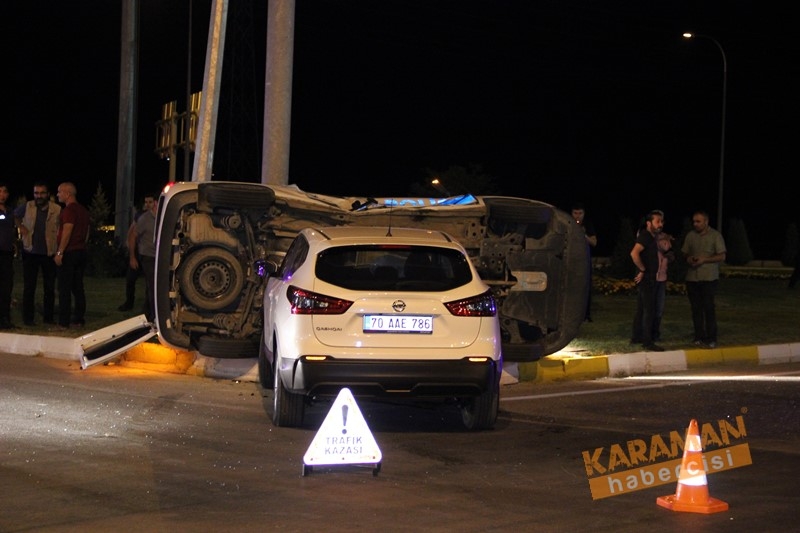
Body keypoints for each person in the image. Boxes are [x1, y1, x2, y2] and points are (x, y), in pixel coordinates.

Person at [14, 181, 61, 326]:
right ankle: (28, 319)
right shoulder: (28, 206)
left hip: (49, 253)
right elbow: (15, 216)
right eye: (36, 193)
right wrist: (20, 226)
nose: (38, 196)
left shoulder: (57, 209)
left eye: (41, 193)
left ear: (47, 194)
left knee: (49, 287)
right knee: (29, 287)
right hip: (30, 252)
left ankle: (48, 318)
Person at [682, 210, 726, 348]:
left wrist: (704, 260)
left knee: (708, 308)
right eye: (694, 221)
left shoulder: (715, 236)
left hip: (709, 278)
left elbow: (722, 256)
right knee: (696, 309)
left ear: (706, 222)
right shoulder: (691, 236)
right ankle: (698, 336)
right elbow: (684, 253)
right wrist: (689, 258)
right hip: (692, 278)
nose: (695, 224)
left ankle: (711, 338)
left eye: (698, 221)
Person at [54, 182, 90, 330]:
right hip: (81, 251)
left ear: (68, 194)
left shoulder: (69, 211)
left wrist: (60, 252)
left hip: (70, 252)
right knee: (78, 287)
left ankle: (63, 322)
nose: (57, 195)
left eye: (59, 192)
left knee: (64, 288)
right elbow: (87, 232)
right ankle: (79, 319)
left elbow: (67, 231)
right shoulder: (83, 210)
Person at [629, 209, 665, 351]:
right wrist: (642, 269)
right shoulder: (645, 236)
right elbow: (634, 253)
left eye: (661, 221)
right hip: (647, 279)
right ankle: (647, 341)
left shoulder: (651, 237)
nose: (660, 224)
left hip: (649, 278)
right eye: (657, 221)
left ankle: (636, 337)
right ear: (649, 223)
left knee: (641, 309)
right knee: (649, 310)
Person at [118, 195, 156, 311]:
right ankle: (129, 302)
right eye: (146, 202)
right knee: (131, 278)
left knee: (150, 282)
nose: (148, 204)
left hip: (150, 253)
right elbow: (133, 231)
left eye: (150, 202)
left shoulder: (159, 216)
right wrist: (131, 252)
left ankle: (147, 308)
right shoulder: (142, 216)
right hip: (140, 251)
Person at [128, 193, 159, 322]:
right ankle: (153, 315)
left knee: (153, 286)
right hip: (148, 256)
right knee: (152, 285)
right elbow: (133, 236)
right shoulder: (145, 219)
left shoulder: (164, 217)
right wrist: (132, 257)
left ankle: (148, 312)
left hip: (160, 256)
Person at [571, 203, 597, 321]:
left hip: (584, 260)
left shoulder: (587, 225)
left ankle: (586, 314)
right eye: (575, 213)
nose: (577, 216)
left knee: (585, 286)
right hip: (571, 260)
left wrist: (583, 235)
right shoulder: (568, 224)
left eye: (580, 213)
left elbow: (594, 242)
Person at [0, 183, 17, 329]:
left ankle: (5, 318)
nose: (2, 195)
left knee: (6, 287)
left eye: (4, 191)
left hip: (6, 254)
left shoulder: (11, 211)